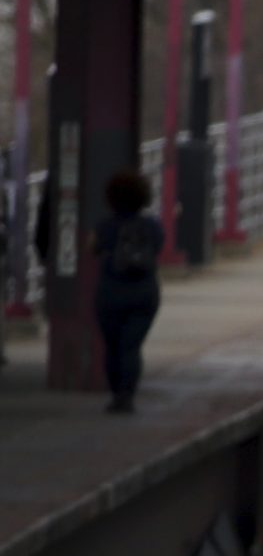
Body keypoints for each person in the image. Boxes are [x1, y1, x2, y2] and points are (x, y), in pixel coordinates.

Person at [91, 169, 164, 414]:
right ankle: (128, 395)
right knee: (131, 347)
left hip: (110, 293)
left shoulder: (106, 226)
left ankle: (116, 396)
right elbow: (158, 248)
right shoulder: (152, 225)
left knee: (113, 347)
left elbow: (92, 248)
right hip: (144, 294)